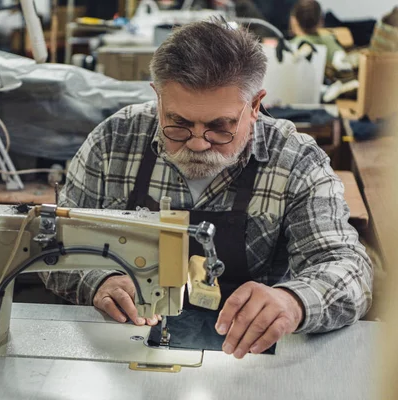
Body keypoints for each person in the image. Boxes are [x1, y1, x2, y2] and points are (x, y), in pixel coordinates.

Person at [40, 20, 372, 359]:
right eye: (179, 124)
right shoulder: (114, 143)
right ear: (158, 97)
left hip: (246, 359)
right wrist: (97, 280)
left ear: (255, 106)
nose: (198, 144)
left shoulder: (294, 159)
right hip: (125, 348)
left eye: (219, 127)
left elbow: (347, 269)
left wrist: (293, 301)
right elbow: (54, 246)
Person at [289, 0, 344, 64]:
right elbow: (343, 63)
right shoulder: (330, 41)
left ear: (294, 20)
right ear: (320, 21)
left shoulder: (291, 46)